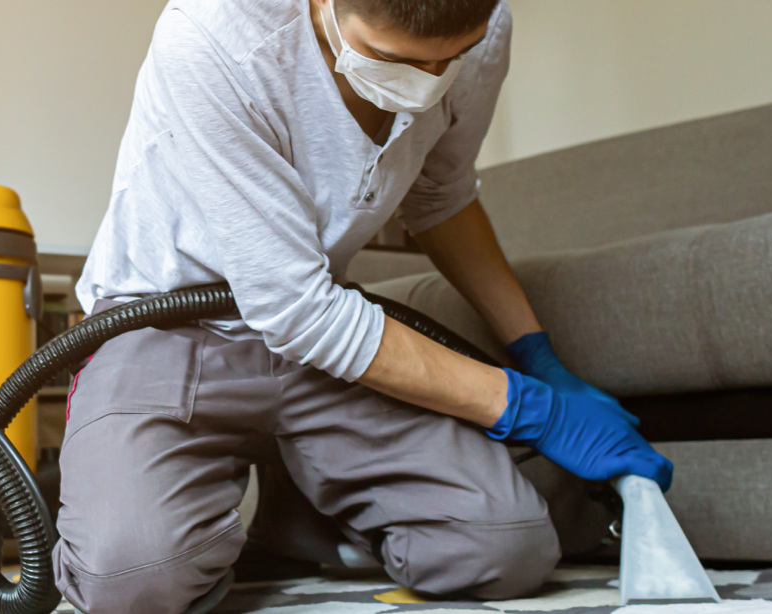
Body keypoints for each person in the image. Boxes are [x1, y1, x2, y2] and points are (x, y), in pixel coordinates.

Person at [57, 0, 673, 611]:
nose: (427, 85)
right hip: (165, 324)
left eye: (450, 61)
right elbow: (299, 312)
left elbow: (440, 196)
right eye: (391, 59)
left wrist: (537, 356)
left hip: (324, 338)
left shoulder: (484, 27)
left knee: (505, 549)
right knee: (131, 582)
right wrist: (536, 411)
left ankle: (295, 510)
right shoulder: (212, 36)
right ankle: (132, 493)